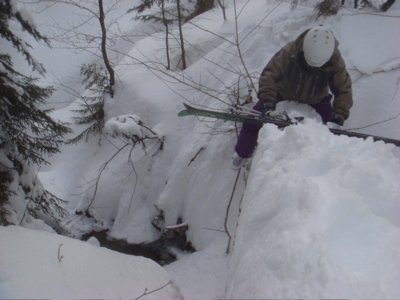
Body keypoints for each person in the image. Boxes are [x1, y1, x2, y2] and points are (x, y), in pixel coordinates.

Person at [232, 25, 353, 169]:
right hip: (284, 92)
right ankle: (242, 153)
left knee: (331, 131)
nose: (313, 68)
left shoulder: (335, 60)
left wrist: (339, 115)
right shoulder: (290, 51)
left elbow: (344, 89)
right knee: (254, 119)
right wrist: (268, 102)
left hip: (317, 99)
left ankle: (330, 164)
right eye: (310, 64)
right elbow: (269, 75)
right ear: (304, 51)